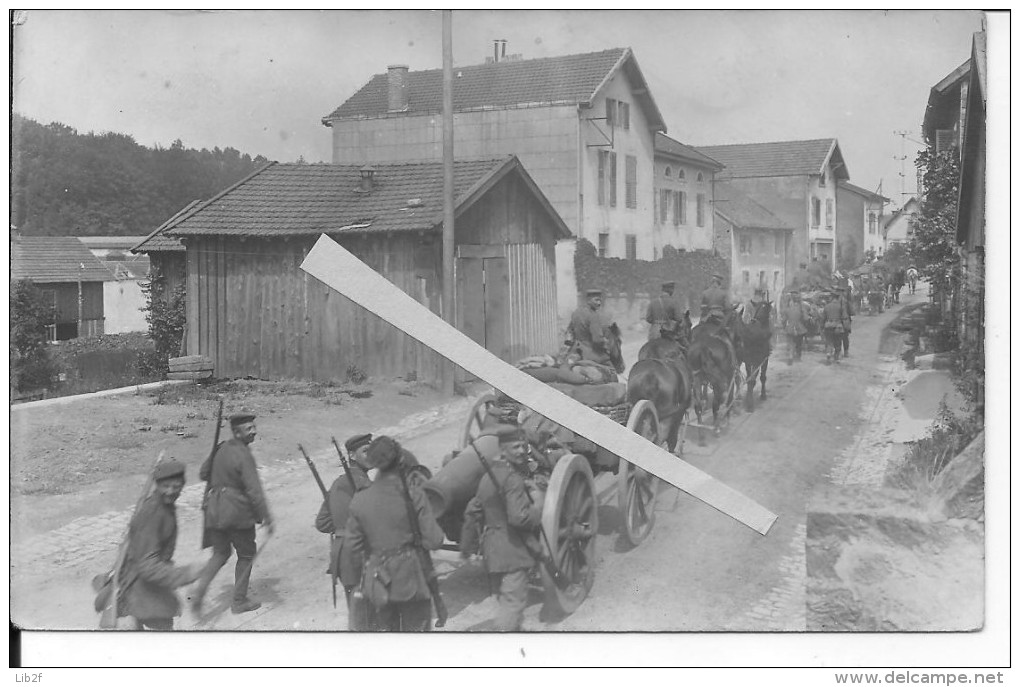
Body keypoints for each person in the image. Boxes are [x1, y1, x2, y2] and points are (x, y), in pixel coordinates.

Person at [345, 436, 444, 632]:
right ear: (400, 460)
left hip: (376, 585)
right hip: (411, 582)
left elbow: (352, 549)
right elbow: (435, 540)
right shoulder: (414, 495)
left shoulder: (360, 500)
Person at [460, 424, 544, 632]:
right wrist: (538, 505)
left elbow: (472, 513)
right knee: (513, 605)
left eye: (523, 446)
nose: (522, 451)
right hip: (513, 550)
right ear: (502, 450)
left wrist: (467, 548)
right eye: (515, 447)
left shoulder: (487, 478)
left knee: (506, 603)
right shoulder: (513, 478)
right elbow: (518, 518)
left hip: (492, 552)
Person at [192, 411, 273, 616]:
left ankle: (199, 592)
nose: (254, 432)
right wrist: (267, 517)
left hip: (214, 511)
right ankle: (239, 601)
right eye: (249, 429)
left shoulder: (220, 448)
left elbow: (203, 473)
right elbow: (254, 490)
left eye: (254, 427)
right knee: (246, 554)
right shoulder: (244, 455)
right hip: (237, 512)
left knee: (220, 554)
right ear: (237, 433)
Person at [116, 458, 204, 630]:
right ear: (157, 485)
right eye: (166, 486)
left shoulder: (163, 506)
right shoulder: (153, 512)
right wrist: (186, 574)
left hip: (144, 586)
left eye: (176, 486)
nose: (171, 491)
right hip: (144, 588)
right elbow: (148, 565)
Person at [315, 433, 374, 626]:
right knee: (369, 616)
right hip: (361, 555)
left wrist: (343, 527)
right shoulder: (368, 486)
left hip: (342, 556)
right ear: (352, 455)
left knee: (356, 611)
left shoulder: (337, 483)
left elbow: (322, 523)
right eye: (365, 450)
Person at [568, 289, 610, 363]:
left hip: (574, 351)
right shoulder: (593, 315)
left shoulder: (576, 313)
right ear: (588, 300)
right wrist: (605, 342)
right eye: (596, 300)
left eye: (600, 300)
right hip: (589, 352)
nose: (599, 303)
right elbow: (597, 339)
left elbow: (570, 332)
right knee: (610, 368)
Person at [781, 290, 809, 365]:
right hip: (799, 328)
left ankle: (790, 356)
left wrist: (784, 326)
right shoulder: (801, 308)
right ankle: (798, 356)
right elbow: (806, 318)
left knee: (791, 343)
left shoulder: (787, 309)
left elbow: (783, 320)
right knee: (799, 343)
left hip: (790, 327)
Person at [820, 291, 846, 364]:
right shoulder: (840, 306)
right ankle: (837, 358)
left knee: (829, 342)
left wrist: (822, 326)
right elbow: (844, 317)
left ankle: (828, 353)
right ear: (837, 298)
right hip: (838, 326)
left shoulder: (827, 306)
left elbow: (823, 318)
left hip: (828, 326)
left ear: (832, 297)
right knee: (838, 342)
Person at [838, 285, 855, 358]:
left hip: (837, 321)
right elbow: (852, 312)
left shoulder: (834, 300)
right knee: (845, 338)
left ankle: (838, 352)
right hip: (845, 321)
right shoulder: (847, 301)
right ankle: (846, 352)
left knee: (837, 337)